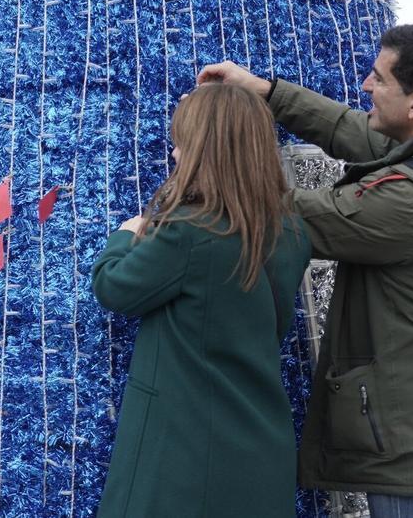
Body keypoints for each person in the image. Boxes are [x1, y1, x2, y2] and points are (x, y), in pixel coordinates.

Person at [197, 24, 413, 517]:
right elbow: (355, 130)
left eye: (379, 79)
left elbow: (282, 216)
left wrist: (205, 162)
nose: (365, 85)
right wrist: (267, 92)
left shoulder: (411, 203)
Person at [91, 84, 311, 517]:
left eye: (181, 144)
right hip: (260, 438)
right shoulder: (291, 232)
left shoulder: (192, 230)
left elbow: (114, 288)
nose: (174, 155)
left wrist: (125, 234)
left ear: (205, 150)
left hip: (183, 447)